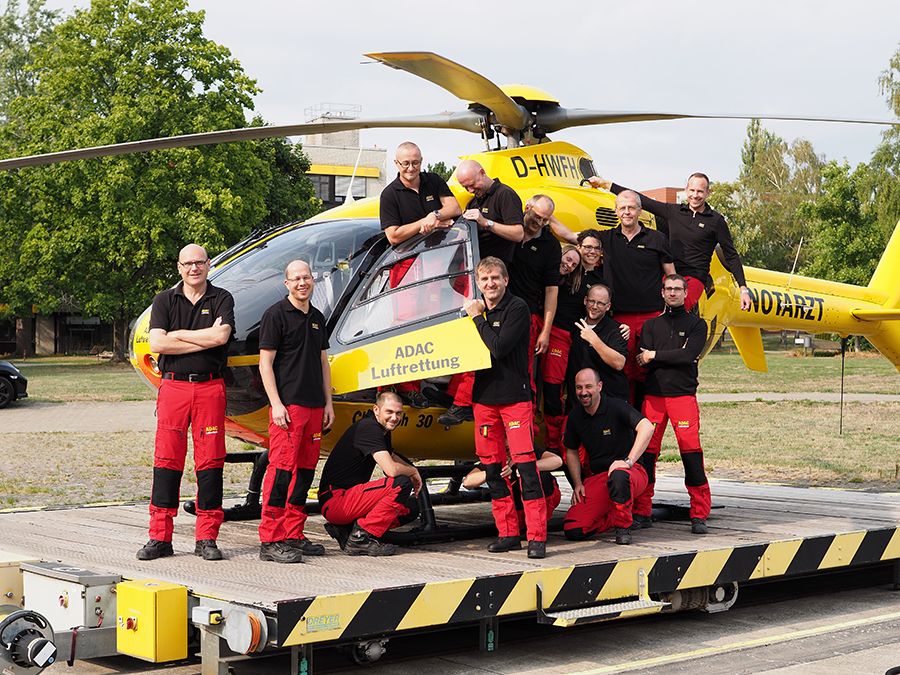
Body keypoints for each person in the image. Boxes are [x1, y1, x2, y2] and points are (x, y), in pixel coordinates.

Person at [138, 244, 234, 562]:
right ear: (179, 267)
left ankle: (206, 537)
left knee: (210, 463)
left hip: (209, 389)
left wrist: (179, 335)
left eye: (200, 262)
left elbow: (221, 339)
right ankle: (159, 537)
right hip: (174, 389)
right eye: (188, 263)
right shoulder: (164, 299)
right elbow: (157, 342)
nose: (194, 268)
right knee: (167, 462)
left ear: (208, 265)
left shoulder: (222, 298)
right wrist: (202, 336)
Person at [465, 256, 547, 559]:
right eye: (484, 279)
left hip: (515, 400)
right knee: (493, 471)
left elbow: (498, 347)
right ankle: (508, 533)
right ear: (478, 282)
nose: (490, 284)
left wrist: (477, 318)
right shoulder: (474, 310)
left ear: (506, 280)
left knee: (526, 468)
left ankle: (537, 536)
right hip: (484, 400)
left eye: (495, 278)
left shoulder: (517, 308)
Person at [256, 260, 334, 564]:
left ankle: (293, 532)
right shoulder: (275, 315)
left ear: (313, 280)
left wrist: (328, 403)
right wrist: (276, 403)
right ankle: (271, 538)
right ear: (287, 283)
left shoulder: (317, 317)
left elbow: (323, 362)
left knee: (304, 472)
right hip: (289, 408)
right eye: (296, 278)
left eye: (307, 277)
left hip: (315, 406)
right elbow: (265, 364)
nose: (302, 283)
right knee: (280, 472)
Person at [438, 159, 525, 426]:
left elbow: (518, 233)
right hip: (471, 277)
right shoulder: (473, 202)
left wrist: (486, 223)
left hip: (489, 279)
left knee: (481, 338)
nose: (470, 190)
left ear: (483, 173)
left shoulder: (505, 195)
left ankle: (463, 402)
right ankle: (453, 393)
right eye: (465, 187)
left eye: (472, 184)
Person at [589, 174, 751, 312]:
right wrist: (606, 184)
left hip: (693, 278)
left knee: (675, 309)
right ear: (686, 190)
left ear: (708, 193)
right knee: (652, 307)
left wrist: (743, 289)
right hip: (668, 274)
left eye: (700, 191)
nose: (695, 195)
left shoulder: (716, 221)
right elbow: (641, 200)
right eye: (692, 190)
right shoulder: (674, 212)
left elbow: (731, 254)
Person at [379, 141, 463, 409]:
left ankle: (418, 386)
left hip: (436, 262)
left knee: (429, 324)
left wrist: (435, 214)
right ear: (396, 164)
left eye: (415, 162)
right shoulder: (390, 194)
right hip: (406, 265)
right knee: (403, 326)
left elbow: (455, 207)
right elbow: (393, 236)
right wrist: (427, 223)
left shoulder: (433, 180)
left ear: (421, 161)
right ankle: (396, 388)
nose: (411, 168)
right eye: (406, 163)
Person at [635, 274, 711, 534]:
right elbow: (641, 360)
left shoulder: (697, 325)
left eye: (677, 289)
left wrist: (656, 354)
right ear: (662, 292)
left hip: (683, 396)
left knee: (691, 453)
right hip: (654, 397)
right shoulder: (651, 325)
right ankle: (642, 511)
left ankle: (699, 513)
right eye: (668, 288)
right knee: (647, 455)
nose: (673, 293)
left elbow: (689, 355)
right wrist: (672, 356)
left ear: (685, 292)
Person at [317, 391, 422, 556]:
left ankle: (347, 529)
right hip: (336, 501)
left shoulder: (382, 429)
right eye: (389, 412)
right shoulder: (369, 427)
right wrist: (413, 471)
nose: (394, 417)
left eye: (398, 413)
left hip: (349, 499)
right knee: (401, 483)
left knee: (410, 509)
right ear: (376, 410)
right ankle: (360, 538)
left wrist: (412, 469)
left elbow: (391, 456)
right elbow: (391, 470)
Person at [598, 190, 675, 408]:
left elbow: (671, 275)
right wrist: (548, 216)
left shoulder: (657, 238)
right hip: (620, 315)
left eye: (631, 207)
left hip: (652, 315)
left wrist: (671, 310)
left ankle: (646, 419)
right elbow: (572, 237)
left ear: (640, 210)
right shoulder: (607, 237)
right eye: (622, 208)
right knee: (623, 369)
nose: (627, 212)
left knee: (648, 368)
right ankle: (627, 419)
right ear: (616, 211)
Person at [563, 368, 653, 545]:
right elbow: (571, 451)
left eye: (589, 386)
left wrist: (628, 461)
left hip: (631, 473)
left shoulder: (616, 406)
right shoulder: (575, 416)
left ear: (600, 386)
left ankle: (623, 528)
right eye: (579, 387)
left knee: (619, 475)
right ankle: (615, 513)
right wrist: (578, 483)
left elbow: (647, 427)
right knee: (573, 529)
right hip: (600, 478)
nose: (584, 392)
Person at [506, 194, 561, 398]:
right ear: (527, 207)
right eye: (537, 216)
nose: (540, 222)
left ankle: (526, 416)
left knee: (523, 368)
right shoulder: (507, 228)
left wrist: (545, 331)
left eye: (546, 219)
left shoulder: (551, 245)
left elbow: (551, 290)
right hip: (495, 307)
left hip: (527, 313)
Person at [462, 444, 563, 534]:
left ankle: (538, 524)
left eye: (512, 449)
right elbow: (468, 482)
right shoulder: (495, 458)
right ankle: (517, 528)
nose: (510, 453)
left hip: (544, 500)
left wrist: (527, 468)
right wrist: (495, 472)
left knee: (542, 476)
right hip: (516, 506)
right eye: (506, 450)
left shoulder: (526, 447)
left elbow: (556, 460)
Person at [541, 245, 582, 455]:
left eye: (573, 264)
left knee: (552, 387)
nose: (568, 265)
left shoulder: (571, 285)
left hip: (559, 336)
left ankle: (554, 443)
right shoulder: (542, 271)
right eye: (567, 259)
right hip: (536, 327)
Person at [567, 283, 630, 403]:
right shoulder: (575, 325)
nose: (595, 306)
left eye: (600, 303)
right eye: (592, 301)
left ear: (608, 306)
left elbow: (619, 363)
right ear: (585, 300)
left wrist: (594, 340)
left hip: (610, 398)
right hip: (578, 400)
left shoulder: (617, 330)